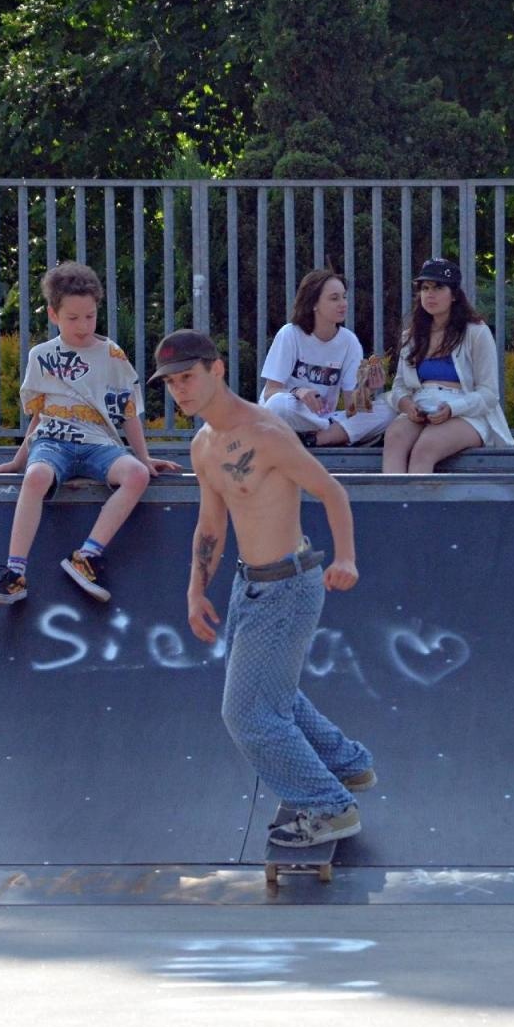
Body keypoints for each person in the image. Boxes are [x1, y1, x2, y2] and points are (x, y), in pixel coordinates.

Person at [153, 329, 377, 847]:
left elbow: (332, 491)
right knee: (274, 694)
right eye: (171, 383)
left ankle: (331, 807)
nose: (180, 391)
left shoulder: (268, 432)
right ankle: (348, 766)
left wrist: (346, 558)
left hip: (290, 586)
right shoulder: (203, 446)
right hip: (247, 586)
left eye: (188, 378)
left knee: (246, 712)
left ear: (217, 370)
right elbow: (210, 526)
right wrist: (194, 590)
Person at [0, 261, 178, 605]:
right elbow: (39, 417)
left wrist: (143, 458)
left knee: (135, 475)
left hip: (97, 444)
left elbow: (128, 411)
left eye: (90, 316)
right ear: (54, 315)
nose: (84, 326)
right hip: (53, 441)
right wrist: (17, 462)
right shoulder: (41, 356)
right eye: (73, 318)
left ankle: (86, 556)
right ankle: (14, 574)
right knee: (37, 476)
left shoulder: (112, 355)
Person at [382, 258, 514, 473]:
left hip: (466, 412)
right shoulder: (412, 335)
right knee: (394, 437)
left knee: (425, 448)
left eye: (438, 287)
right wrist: (407, 405)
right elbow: (399, 387)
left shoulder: (476, 332)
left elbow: (489, 394)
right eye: (424, 288)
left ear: (454, 295)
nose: (429, 294)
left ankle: (416, 506)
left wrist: (453, 409)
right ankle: (392, 504)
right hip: (422, 406)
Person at [260, 269, 393, 447]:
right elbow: (270, 393)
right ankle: (330, 432)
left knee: (388, 409)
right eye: (334, 298)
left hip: (323, 417)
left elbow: (351, 407)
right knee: (278, 404)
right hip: (290, 412)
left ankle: (314, 438)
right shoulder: (290, 334)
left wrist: (367, 388)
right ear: (314, 303)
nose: (343, 304)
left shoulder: (349, 342)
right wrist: (298, 392)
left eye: (344, 297)